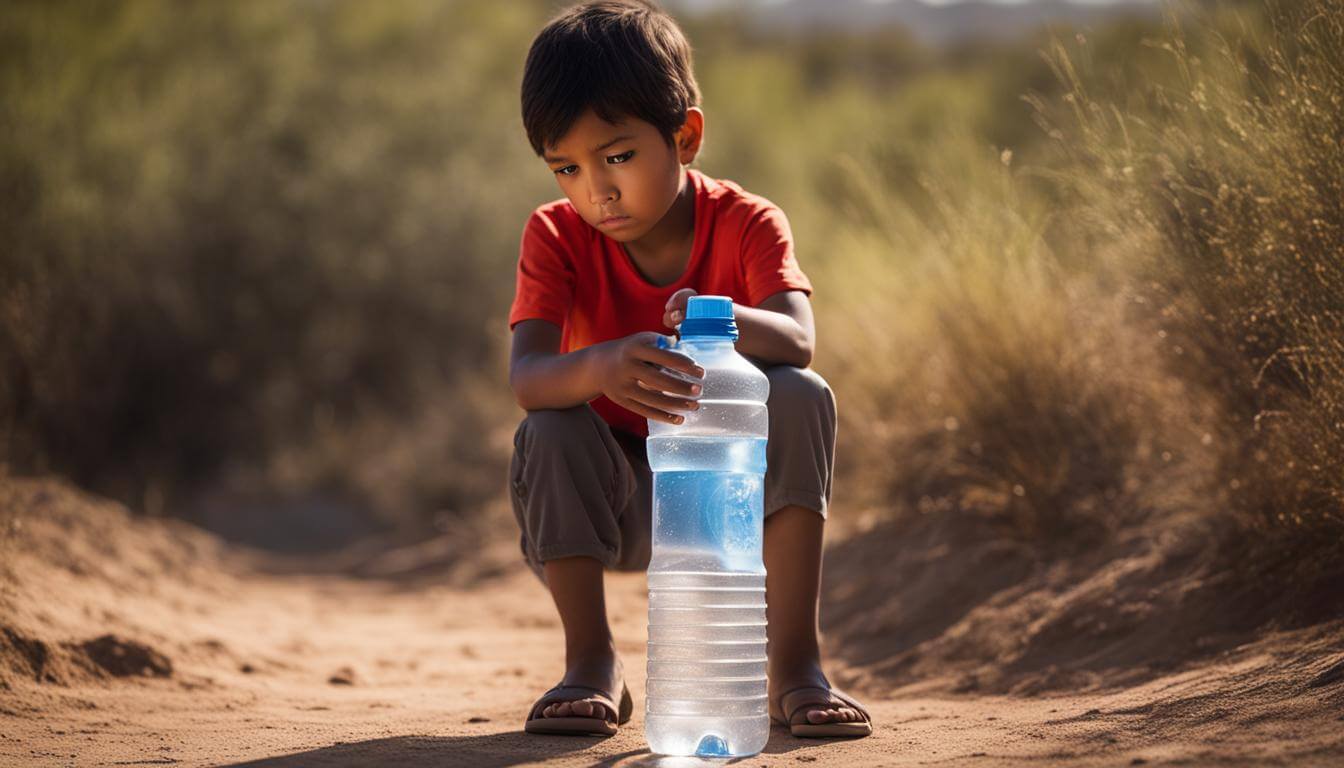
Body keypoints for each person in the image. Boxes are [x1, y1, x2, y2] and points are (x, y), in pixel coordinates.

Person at [507, 0, 872, 740]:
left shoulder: (748, 222)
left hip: (724, 497)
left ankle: (796, 666)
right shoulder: (555, 234)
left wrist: (719, 317)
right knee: (548, 428)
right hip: (618, 502)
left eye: (617, 157)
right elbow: (528, 377)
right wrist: (604, 364)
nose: (595, 191)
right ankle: (590, 663)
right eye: (566, 168)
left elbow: (799, 338)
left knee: (801, 394)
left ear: (686, 136)